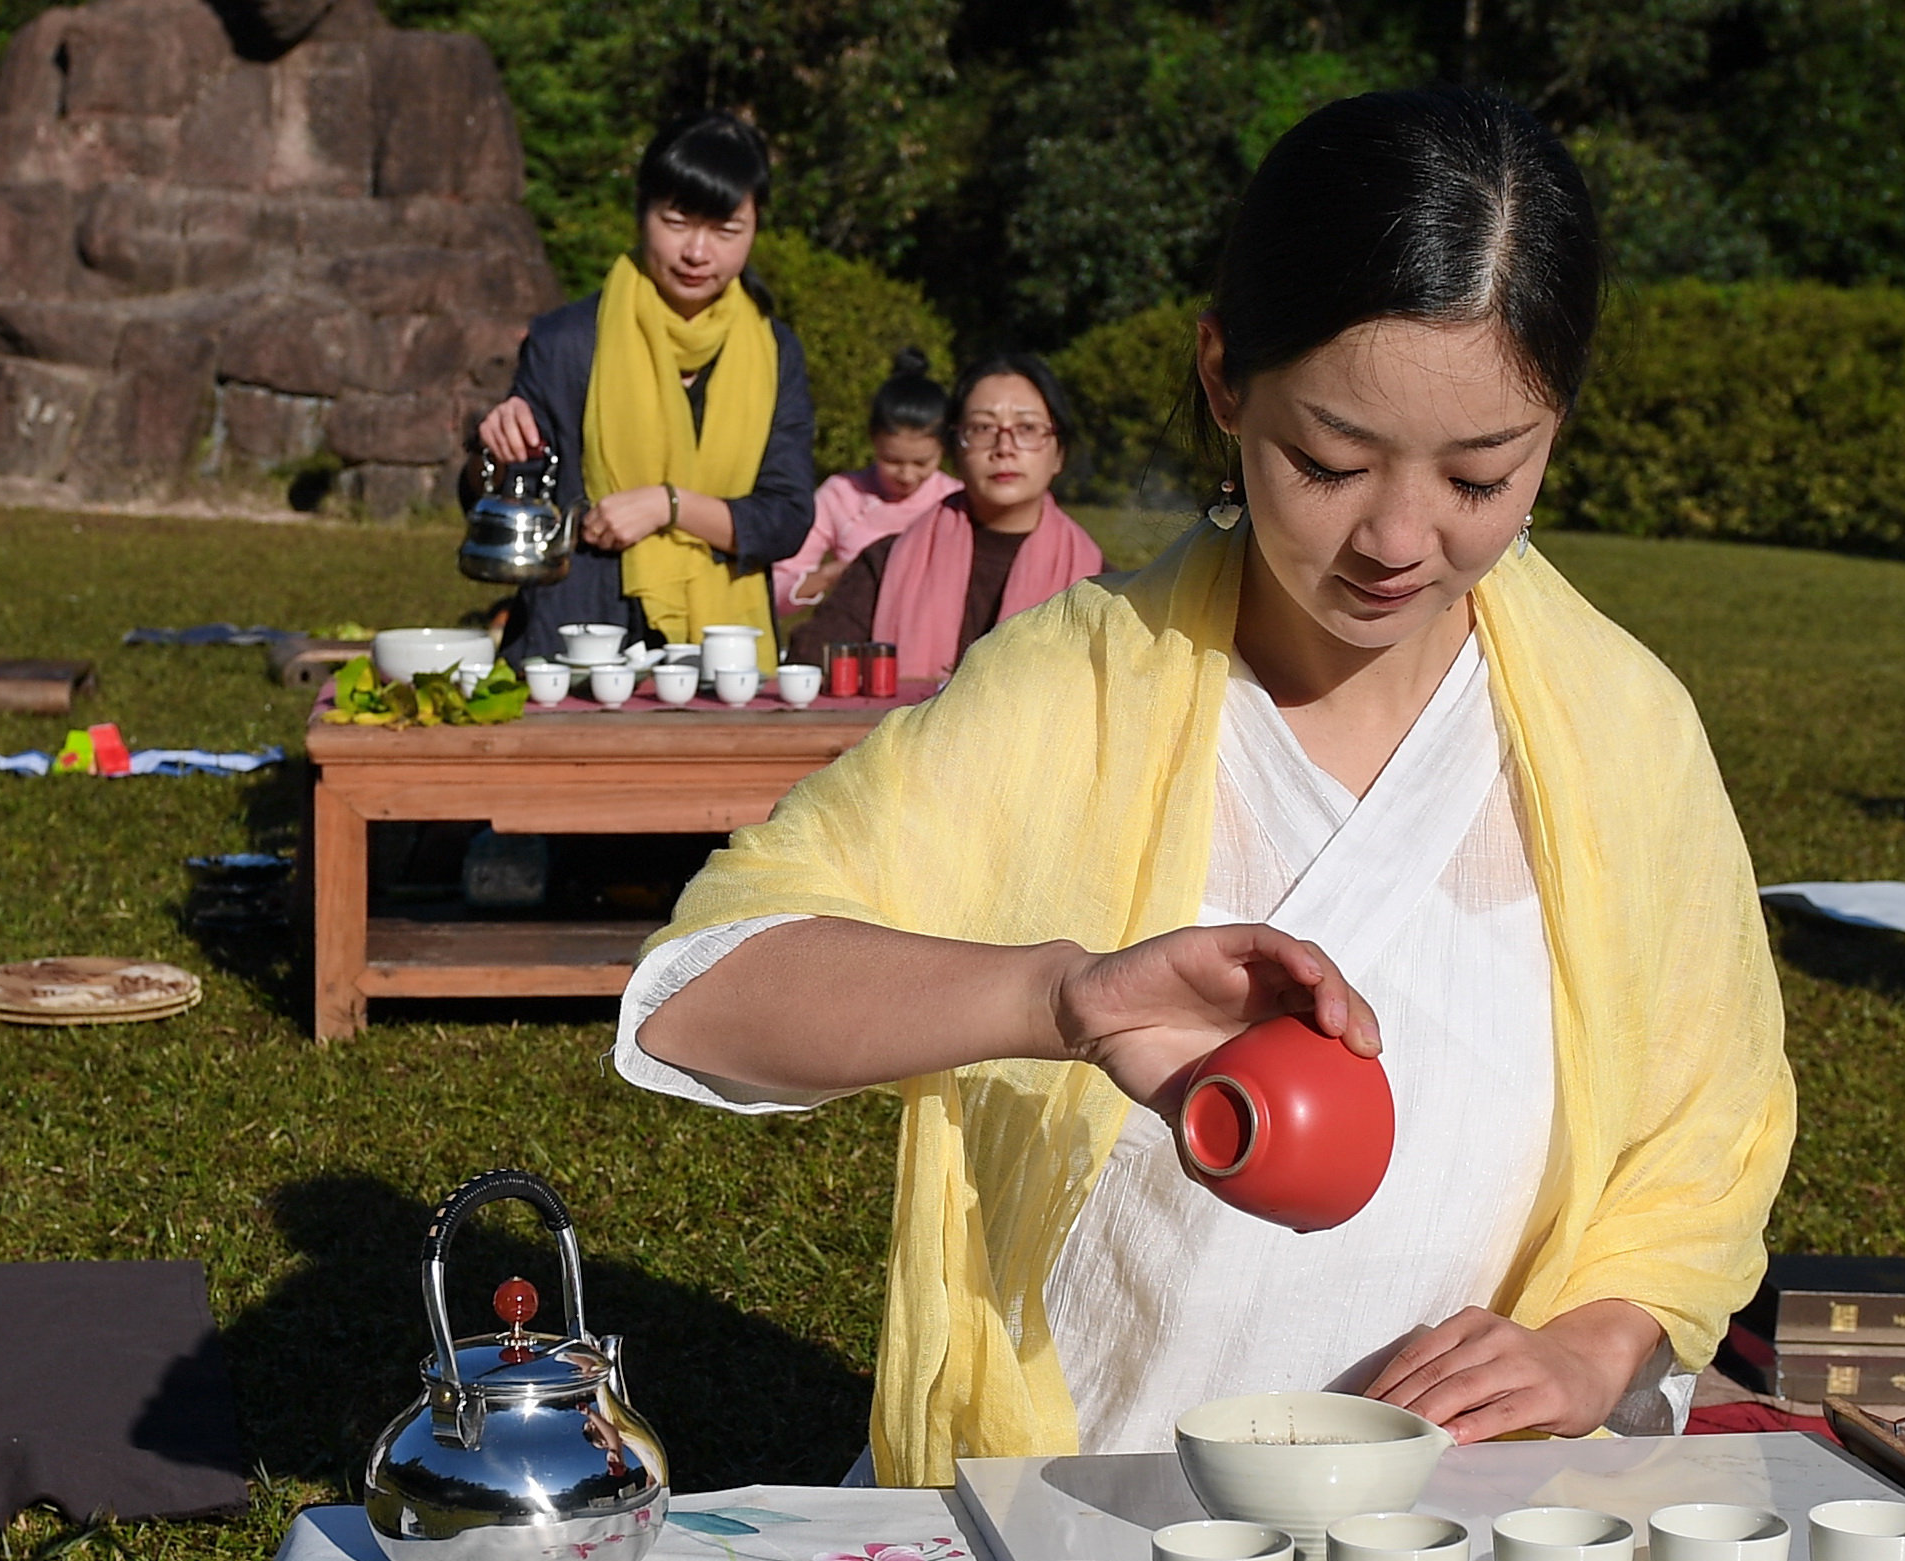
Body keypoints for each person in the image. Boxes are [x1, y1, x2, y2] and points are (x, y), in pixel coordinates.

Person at [620, 88, 1797, 1479]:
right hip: (1071, 1523)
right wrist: (1054, 999)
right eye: (1329, 461)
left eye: (1483, 476)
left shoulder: (1619, 733)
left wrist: (1592, 1345)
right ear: (1225, 379)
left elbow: (1703, 1139)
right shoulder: (1072, 690)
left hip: (1456, 1552)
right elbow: (698, 997)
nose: (1397, 540)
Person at [470, 109, 816, 655]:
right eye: (677, 223)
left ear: (754, 230)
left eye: (726, 230)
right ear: (642, 212)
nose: (698, 253)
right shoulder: (566, 341)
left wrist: (668, 506)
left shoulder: (775, 354)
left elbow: (786, 519)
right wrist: (497, 449)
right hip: (576, 640)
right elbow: (511, 498)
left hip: (722, 654)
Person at [807, 356, 1106, 680]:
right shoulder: (884, 564)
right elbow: (809, 669)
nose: (1004, 447)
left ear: (1058, 453)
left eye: (1027, 428)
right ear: (955, 450)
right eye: (982, 428)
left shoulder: (1101, 585)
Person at [771, 361, 957, 610]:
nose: (907, 475)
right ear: (873, 438)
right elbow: (777, 589)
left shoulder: (956, 500)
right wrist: (832, 575)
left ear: (943, 448)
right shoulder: (842, 495)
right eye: (892, 460)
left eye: (921, 463)